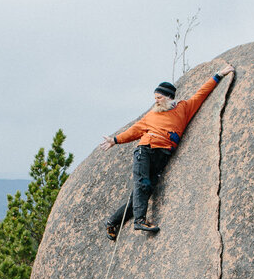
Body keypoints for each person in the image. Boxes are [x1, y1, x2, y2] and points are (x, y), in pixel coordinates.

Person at [99, 63, 235, 238]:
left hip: (163, 155)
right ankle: (140, 221)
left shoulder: (183, 108)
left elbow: (201, 94)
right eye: (155, 97)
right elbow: (134, 130)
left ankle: (112, 222)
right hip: (145, 151)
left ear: (169, 97)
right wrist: (115, 140)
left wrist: (219, 75)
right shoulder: (152, 115)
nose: (156, 100)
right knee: (142, 185)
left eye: (159, 97)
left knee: (141, 195)